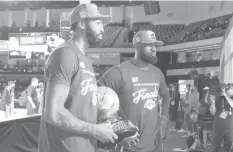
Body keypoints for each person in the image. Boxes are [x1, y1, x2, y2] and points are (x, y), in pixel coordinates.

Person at [38, 3, 118, 152]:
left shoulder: (86, 61)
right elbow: (54, 114)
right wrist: (94, 130)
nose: (103, 28)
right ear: (82, 23)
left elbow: (83, 116)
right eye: (98, 23)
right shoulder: (65, 54)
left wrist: (117, 133)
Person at [98, 30, 170, 152]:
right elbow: (93, 99)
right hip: (130, 147)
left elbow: (166, 96)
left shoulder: (157, 73)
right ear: (138, 46)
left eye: (155, 46)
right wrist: (118, 134)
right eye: (150, 45)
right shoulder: (119, 72)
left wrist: (163, 120)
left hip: (155, 146)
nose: (154, 49)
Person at [209, 84, 233, 152]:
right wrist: (213, 103)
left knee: (227, 149)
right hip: (218, 128)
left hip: (230, 129)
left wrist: (226, 95)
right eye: (230, 89)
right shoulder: (218, 98)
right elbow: (212, 112)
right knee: (215, 148)